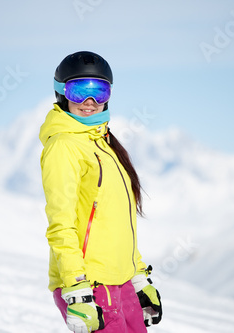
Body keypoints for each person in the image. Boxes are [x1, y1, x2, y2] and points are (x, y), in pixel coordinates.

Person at [39, 51, 163, 332]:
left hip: (120, 280)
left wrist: (138, 277)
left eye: (99, 91)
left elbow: (115, 223)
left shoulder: (103, 143)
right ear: (62, 92)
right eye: (79, 90)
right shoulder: (64, 146)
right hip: (90, 284)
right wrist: (76, 288)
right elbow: (61, 225)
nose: (90, 101)